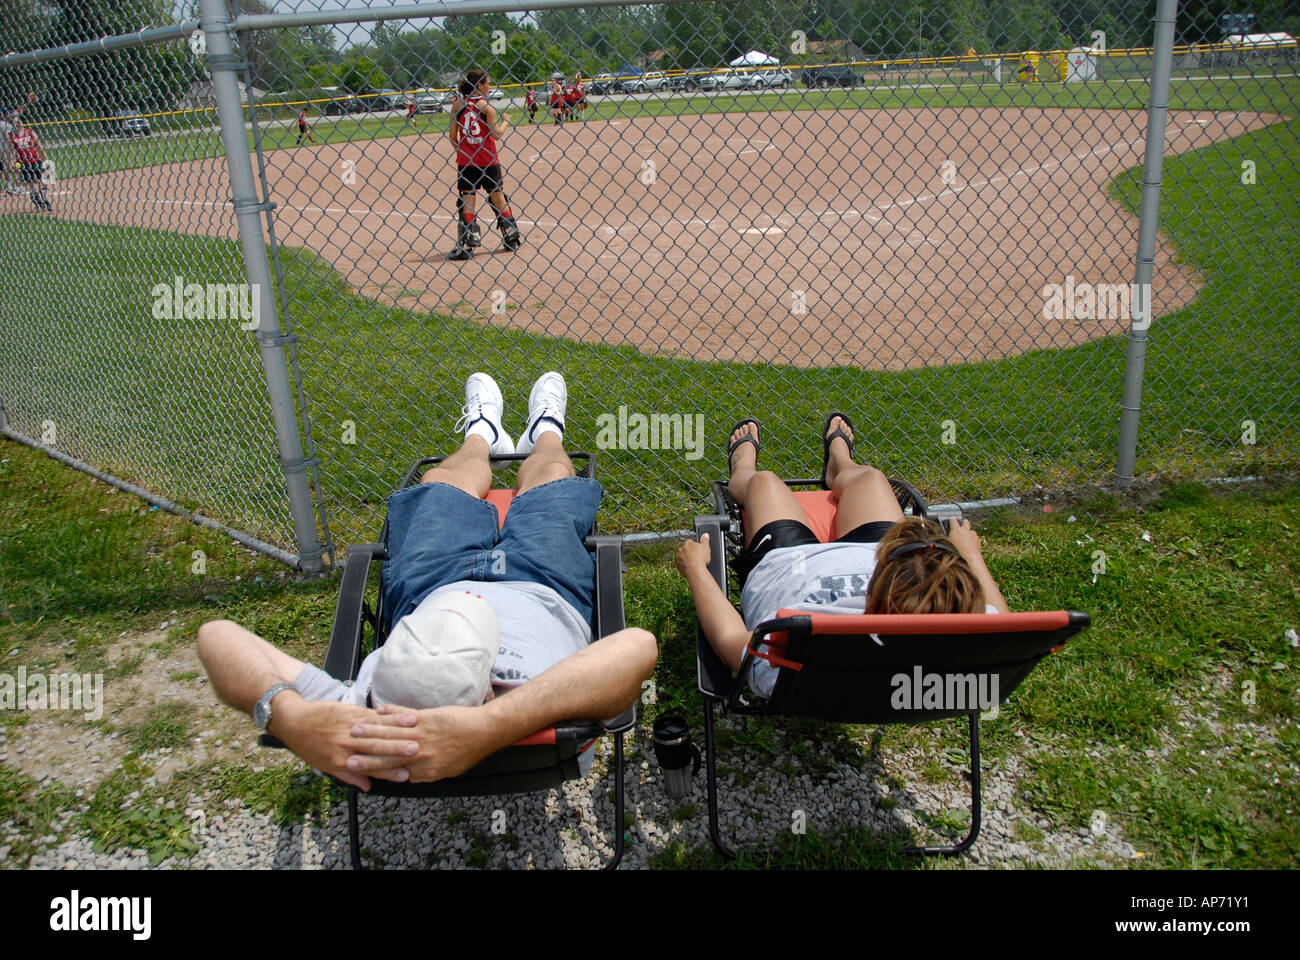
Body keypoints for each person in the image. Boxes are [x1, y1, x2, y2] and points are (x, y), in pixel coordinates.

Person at [197, 371, 658, 789]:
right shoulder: (535, 695)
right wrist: (490, 728)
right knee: (553, 477)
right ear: (486, 693)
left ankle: (483, 434)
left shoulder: (366, 717)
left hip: (430, 585)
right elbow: (636, 648)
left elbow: (215, 636)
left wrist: (289, 717)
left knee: (442, 480)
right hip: (542, 585)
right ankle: (547, 433)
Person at [677, 416, 1008, 698]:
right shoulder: (963, 643)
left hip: (790, 561)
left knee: (763, 483)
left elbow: (729, 639)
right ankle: (840, 466)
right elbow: (1007, 629)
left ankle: (743, 470)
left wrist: (696, 570)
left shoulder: (786, 656)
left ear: (877, 587)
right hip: (893, 567)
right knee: (872, 479)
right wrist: (970, 556)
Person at [446, 68, 521, 260]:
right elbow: (496, 134)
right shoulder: (487, 108)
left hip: (467, 162)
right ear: (479, 86)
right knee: (497, 196)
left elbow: (453, 136)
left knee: (467, 200)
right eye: (487, 83)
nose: (489, 86)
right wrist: (505, 122)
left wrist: (462, 150)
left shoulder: (457, 105)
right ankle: (510, 237)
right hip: (488, 160)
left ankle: (469, 243)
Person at [5, 112, 51, 211]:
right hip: (23, 163)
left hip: (35, 160)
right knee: (30, 182)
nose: (17, 124)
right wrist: (12, 162)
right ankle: (38, 201)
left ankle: (45, 199)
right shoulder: (11, 136)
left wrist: (45, 158)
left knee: (43, 180)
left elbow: (39, 145)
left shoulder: (30, 132)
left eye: (18, 122)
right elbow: (11, 151)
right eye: (14, 122)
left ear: (22, 122)